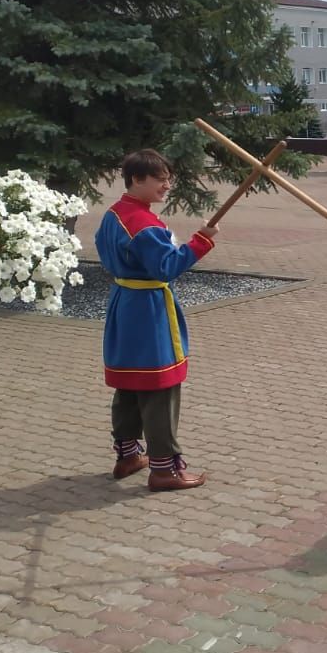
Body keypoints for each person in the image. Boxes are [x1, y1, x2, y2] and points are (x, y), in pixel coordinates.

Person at [95, 149, 216, 491]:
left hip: (124, 303)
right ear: (136, 179)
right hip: (147, 309)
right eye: (160, 179)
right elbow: (167, 268)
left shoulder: (114, 215)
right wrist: (201, 241)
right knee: (159, 386)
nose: (167, 185)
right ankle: (164, 469)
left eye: (168, 178)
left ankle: (128, 454)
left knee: (130, 384)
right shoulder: (143, 224)